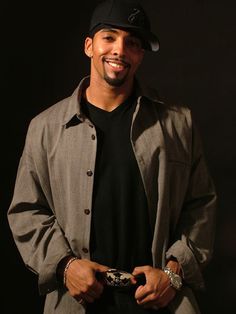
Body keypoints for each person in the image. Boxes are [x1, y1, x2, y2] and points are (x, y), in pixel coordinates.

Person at [8, 0, 217, 313]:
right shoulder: (45, 128)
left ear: (141, 55)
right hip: (77, 301)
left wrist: (172, 273)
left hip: (161, 301)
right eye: (109, 37)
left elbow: (201, 204)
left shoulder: (178, 124)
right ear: (89, 46)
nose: (120, 50)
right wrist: (65, 266)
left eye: (132, 42)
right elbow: (26, 210)